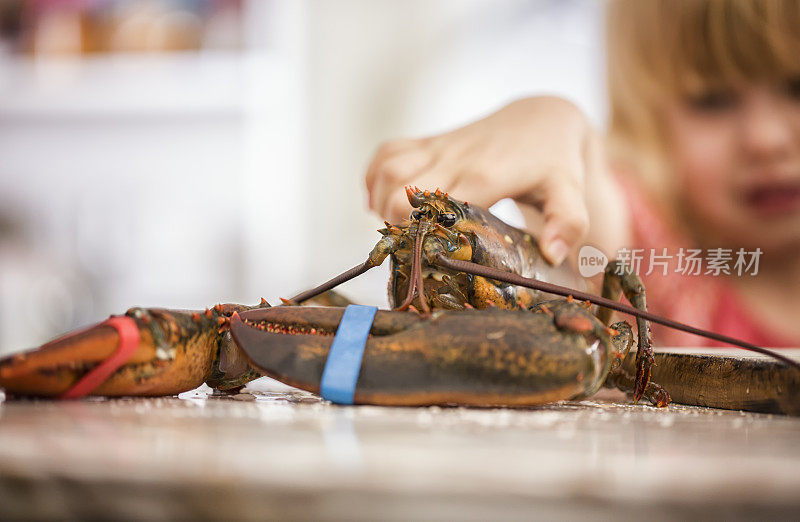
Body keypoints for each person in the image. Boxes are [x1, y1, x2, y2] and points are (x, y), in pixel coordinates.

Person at [364, 0, 800, 347]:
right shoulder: (647, 237)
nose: (766, 139)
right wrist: (552, 120)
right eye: (713, 99)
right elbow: (589, 198)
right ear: (648, 114)